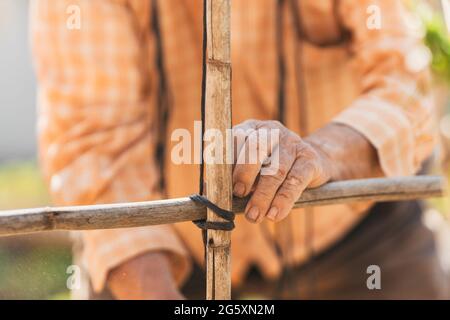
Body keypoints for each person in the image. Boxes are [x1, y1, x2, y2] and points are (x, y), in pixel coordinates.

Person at [30, 0, 448, 299]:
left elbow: (404, 86)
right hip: (161, 255)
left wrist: (323, 154)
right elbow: (95, 143)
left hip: (359, 241)